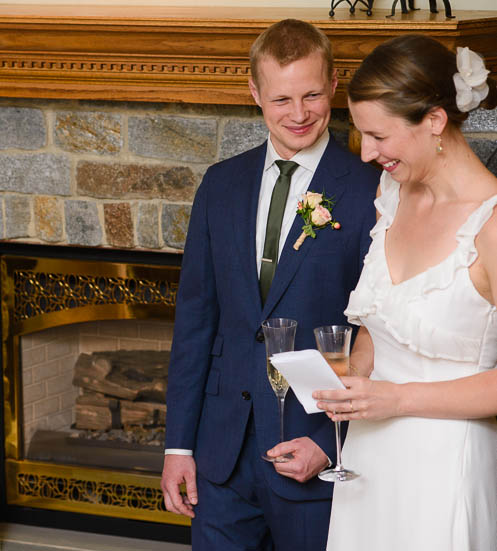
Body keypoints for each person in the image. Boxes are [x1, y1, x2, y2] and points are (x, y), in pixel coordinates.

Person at [160, 19, 379, 550]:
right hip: (220, 455)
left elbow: (382, 333)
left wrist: (331, 444)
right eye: (281, 98)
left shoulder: (373, 188)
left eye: (310, 94)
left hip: (312, 447)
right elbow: (195, 321)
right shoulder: (220, 184)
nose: (298, 114)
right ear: (254, 92)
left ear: (333, 86)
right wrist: (179, 447)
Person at [314, 35, 497, 550]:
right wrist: (353, 380)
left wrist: (397, 399)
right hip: (368, 458)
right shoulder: (390, 195)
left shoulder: (491, 226)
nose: (367, 153)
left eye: (378, 136)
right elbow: (378, 324)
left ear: (434, 121)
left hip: (445, 465)